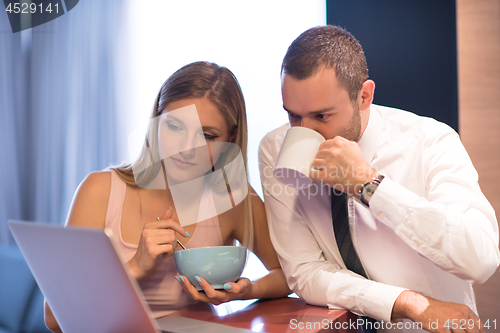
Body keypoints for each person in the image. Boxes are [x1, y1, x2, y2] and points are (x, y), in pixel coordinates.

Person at [259, 25, 499, 333]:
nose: (304, 132)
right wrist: (406, 302)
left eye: (322, 116)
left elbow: (480, 260)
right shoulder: (275, 147)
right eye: (293, 115)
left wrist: (370, 185)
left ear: (364, 96)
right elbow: (304, 272)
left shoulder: (430, 141)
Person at [44, 61, 291, 332]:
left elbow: (290, 276)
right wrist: (134, 267)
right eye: (175, 127)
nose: (186, 149)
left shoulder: (233, 198)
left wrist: (248, 290)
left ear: (230, 140)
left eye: (207, 135)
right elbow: (54, 319)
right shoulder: (99, 191)